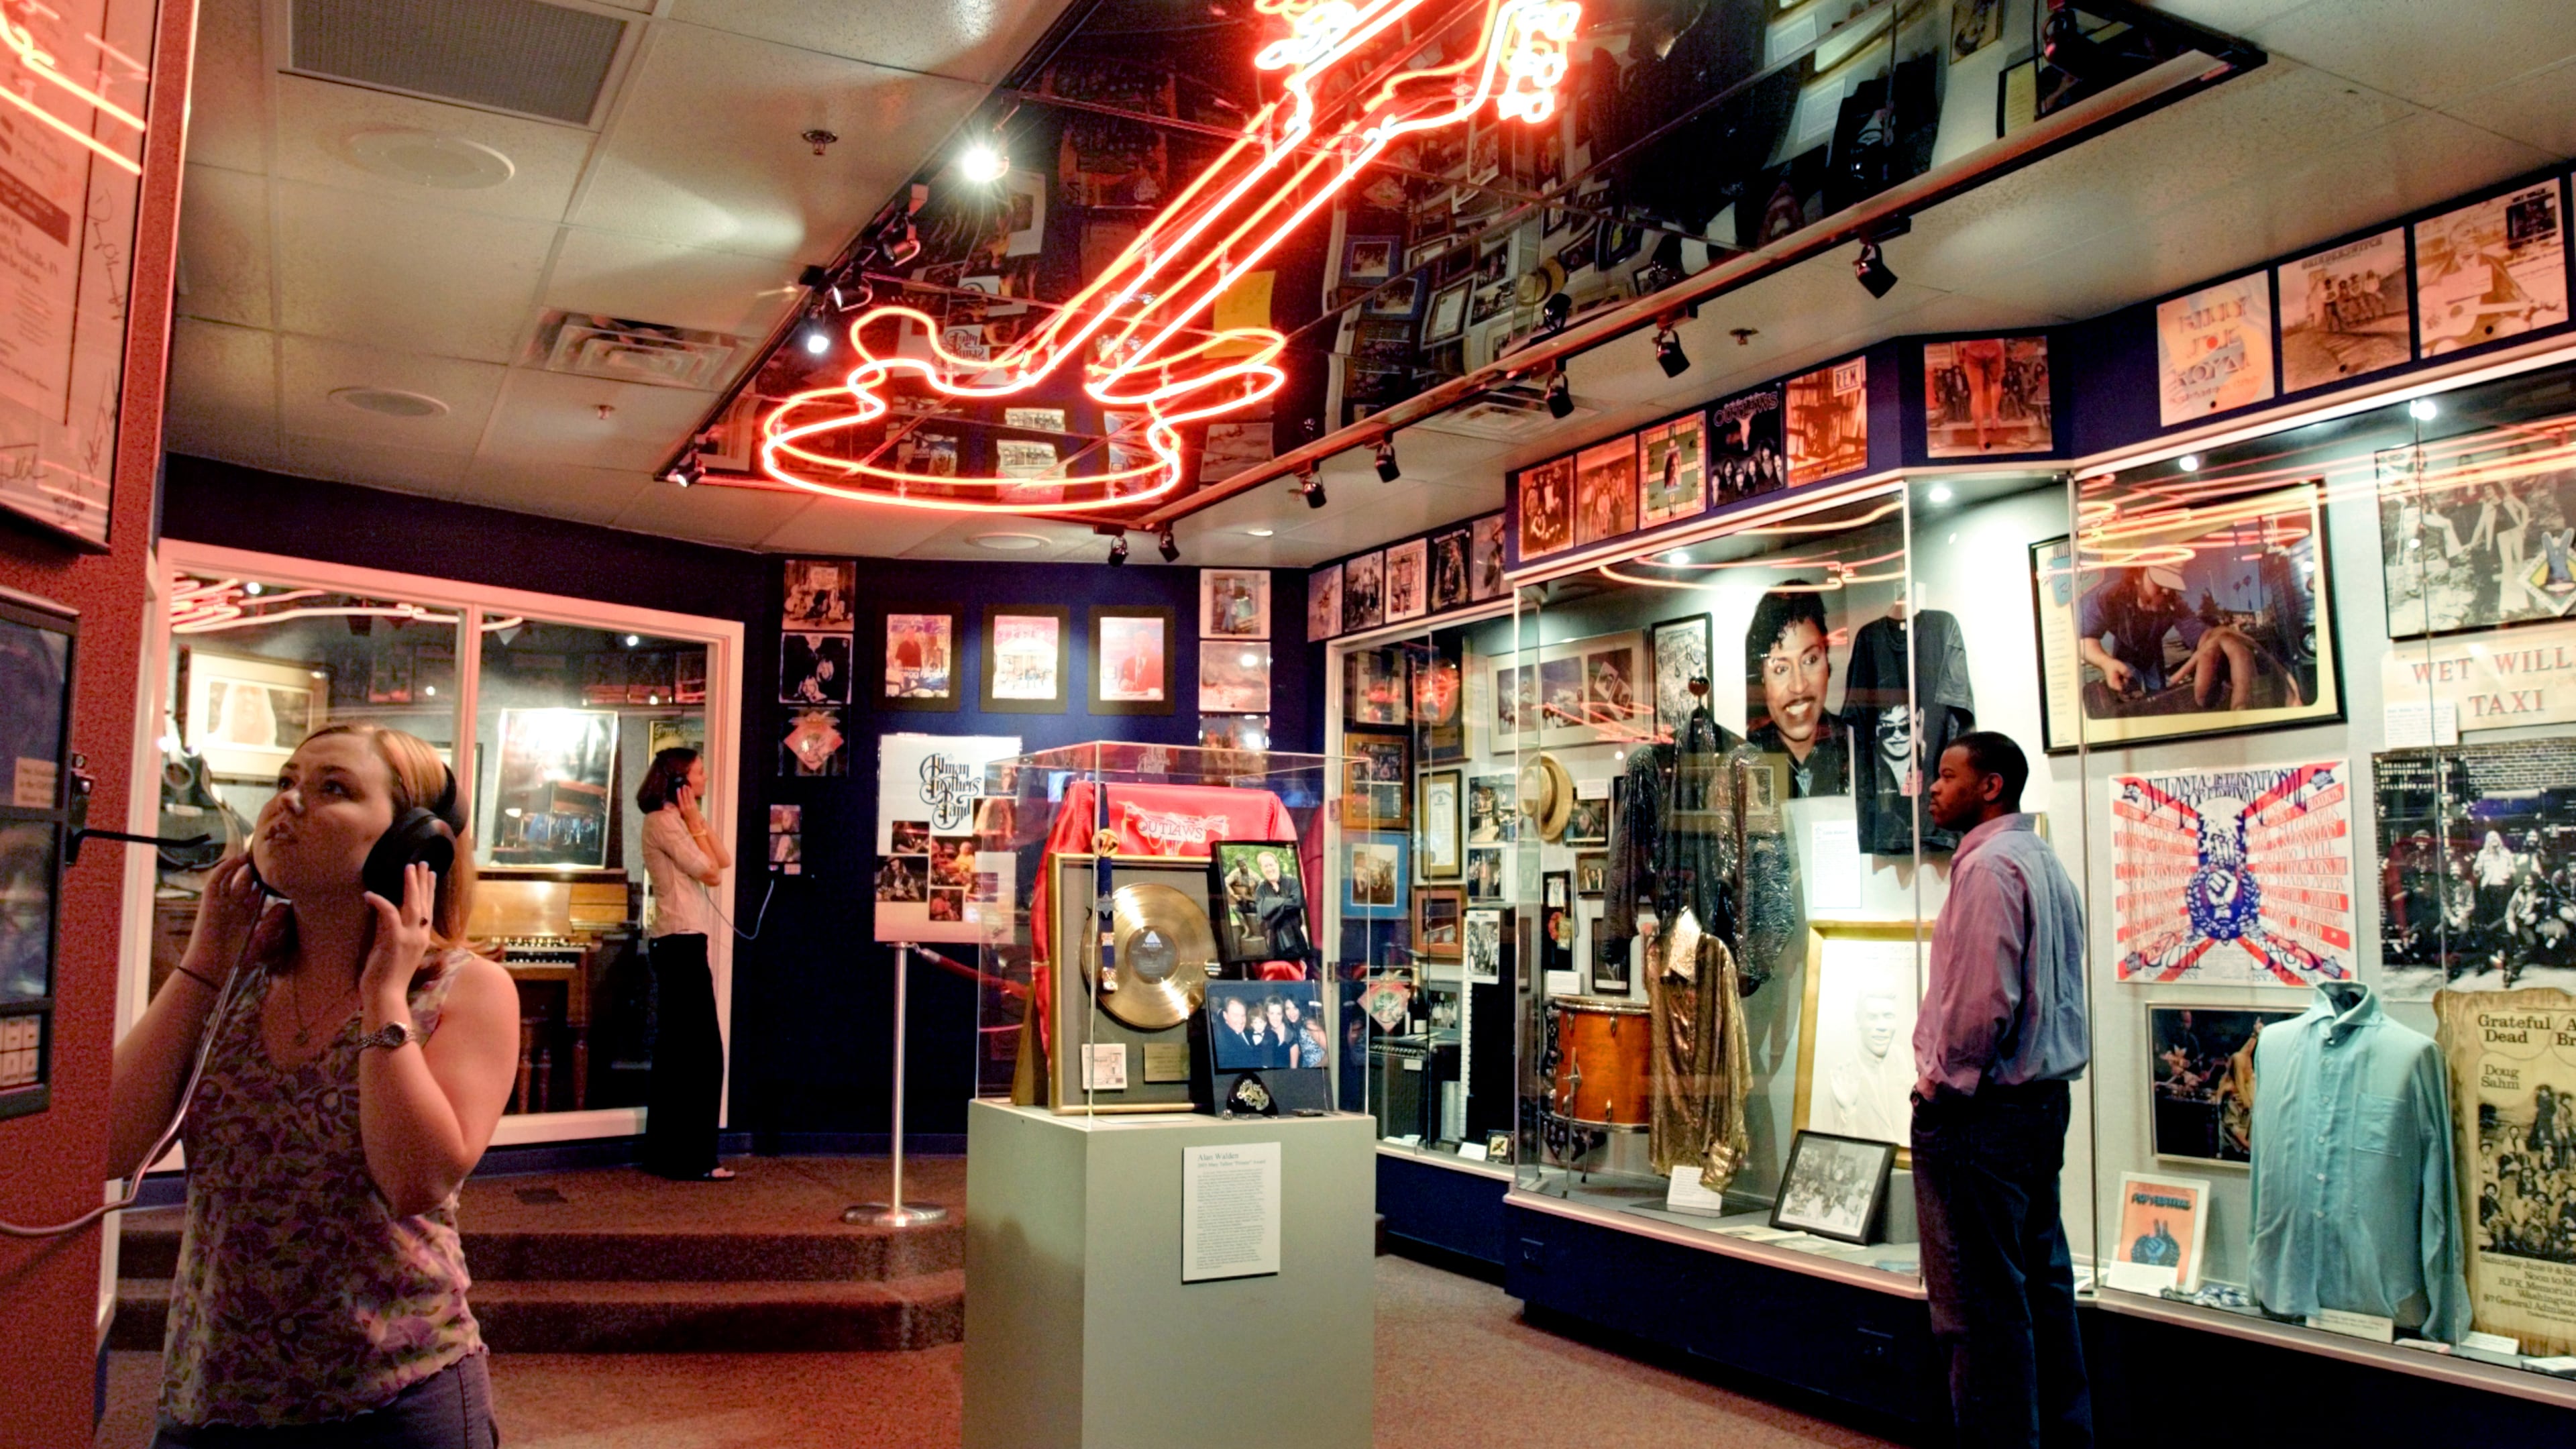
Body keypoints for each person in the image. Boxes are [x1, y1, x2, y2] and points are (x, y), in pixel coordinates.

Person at [108, 724, 517, 1445]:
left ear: (412, 846)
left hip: (392, 1399)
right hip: (214, 1393)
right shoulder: (235, 979)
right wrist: (204, 961)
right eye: (286, 782)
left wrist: (383, 996)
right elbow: (109, 1144)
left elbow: (415, 1180)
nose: (290, 802)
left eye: (333, 788)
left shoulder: (465, 990)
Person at [1912, 731, 2092, 1449]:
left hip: (1981, 1117)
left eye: (1948, 774)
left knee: (1979, 1312)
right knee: (2042, 1289)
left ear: (1991, 787)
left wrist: (1941, 1088)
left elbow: (1980, 1005)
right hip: (2039, 1108)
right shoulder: (2040, 858)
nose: (1933, 786)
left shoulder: (1988, 867)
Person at [637, 746, 736, 1181]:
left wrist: (695, 818)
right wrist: (692, 823)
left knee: (684, 1051)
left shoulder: (679, 821)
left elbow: (723, 859)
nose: (706, 777)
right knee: (700, 1053)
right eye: (699, 772)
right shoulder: (662, 823)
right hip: (678, 941)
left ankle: (675, 1156)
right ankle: (694, 1158)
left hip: (684, 941)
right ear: (679, 781)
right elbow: (710, 873)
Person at [1745, 585, 1848, 796]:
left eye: (1810, 660)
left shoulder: (1855, 747)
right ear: (1762, 680)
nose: (1799, 686)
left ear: (1827, 662)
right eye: (1781, 669)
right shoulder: (1745, 759)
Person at [1252, 849, 1313, 964]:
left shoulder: (1292, 882)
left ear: (1277, 864)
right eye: (1266, 866)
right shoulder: (1260, 890)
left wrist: (1272, 905)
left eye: (1271, 865)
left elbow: (1297, 903)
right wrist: (1286, 904)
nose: (1269, 869)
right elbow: (1262, 918)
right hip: (1275, 942)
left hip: (1297, 937)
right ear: (1261, 869)